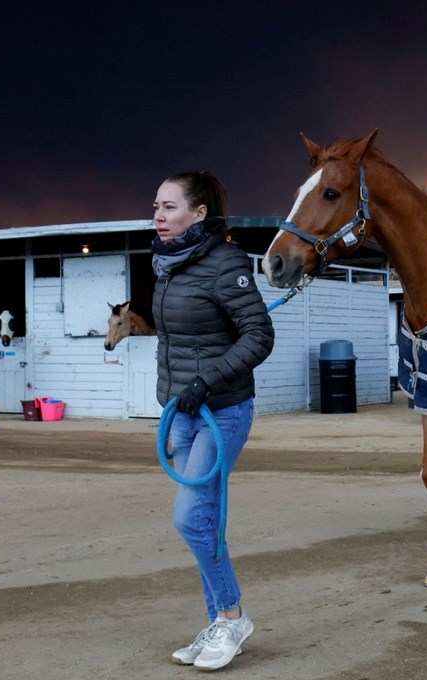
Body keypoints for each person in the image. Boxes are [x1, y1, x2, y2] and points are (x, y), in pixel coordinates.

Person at [152, 171, 274, 671]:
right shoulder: (168, 264)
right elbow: (175, 342)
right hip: (179, 411)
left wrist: (208, 380)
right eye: (156, 206)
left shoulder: (226, 263)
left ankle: (232, 615)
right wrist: (171, 394)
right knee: (204, 521)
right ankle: (219, 622)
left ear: (199, 214)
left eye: (169, 207)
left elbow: (258, 334)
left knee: (189, 517)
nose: (158, 215)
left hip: (221, 410)